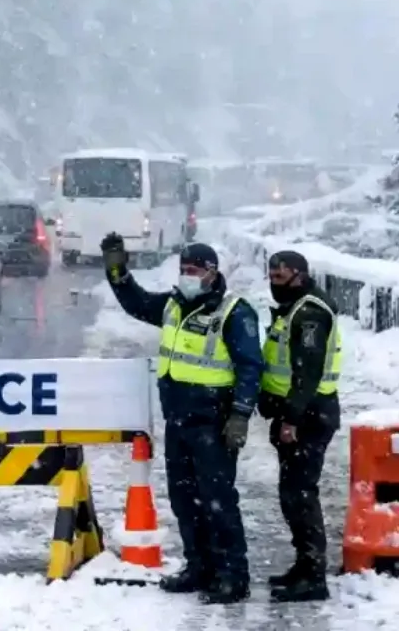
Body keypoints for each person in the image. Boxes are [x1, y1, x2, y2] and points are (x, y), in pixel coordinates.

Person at [100, 233, 265, 604]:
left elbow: (251, 367)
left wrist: (240, 415)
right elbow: (137, 303)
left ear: (211, 273)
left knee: (217, 499)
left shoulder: (234, 312)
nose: (187, 275)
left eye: (194, 270)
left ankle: (232, 575)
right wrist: (116, 270)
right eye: (183, 269)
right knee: (184, 498)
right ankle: (199, 567)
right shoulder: (174, 305)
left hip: (214, 422)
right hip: (178, 420)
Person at [259, 250, 341, 603]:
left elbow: (307, 373)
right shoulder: (294, 307)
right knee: (292, 493)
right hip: (299, 414)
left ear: (299, 275)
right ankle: (304, 566)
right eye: (271, 277)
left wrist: (291, 418)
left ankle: (314, 575)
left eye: (280, 277)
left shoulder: (308, 313)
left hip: (309, 416)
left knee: (301, 494)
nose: (274, 283)